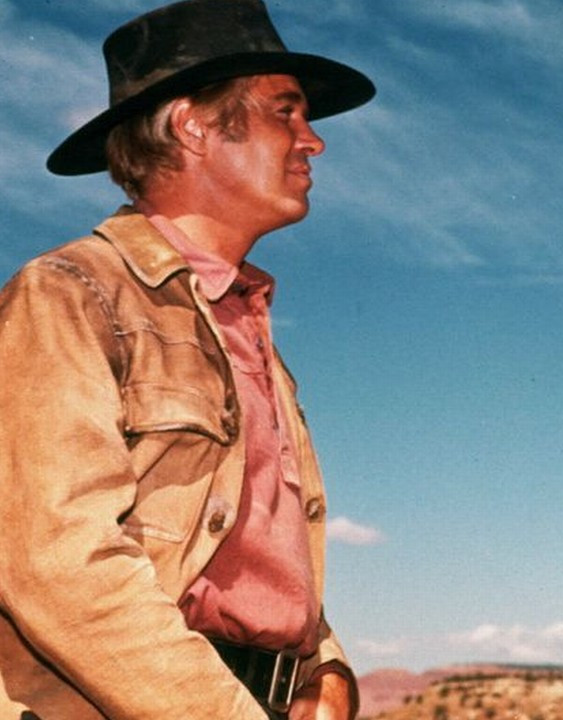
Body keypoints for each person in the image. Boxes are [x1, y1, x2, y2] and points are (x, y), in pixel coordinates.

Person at [0, 0, 375, 718]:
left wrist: (325, 672)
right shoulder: (70, 295)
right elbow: (56, 561)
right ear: (191, 125)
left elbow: (253, 559)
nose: (313, 140)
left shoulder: (247, 328)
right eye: (285, 111)